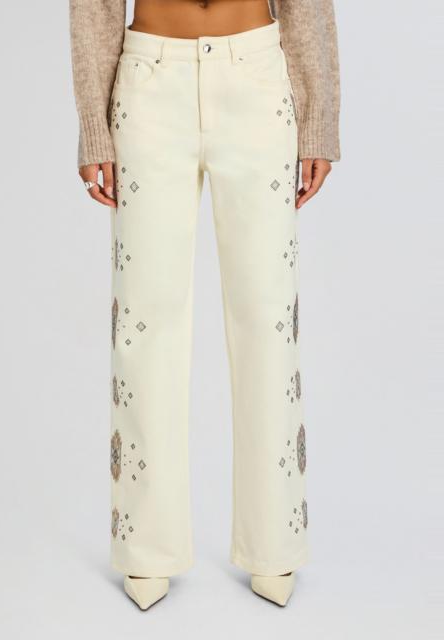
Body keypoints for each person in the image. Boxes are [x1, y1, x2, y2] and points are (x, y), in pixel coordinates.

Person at [69, 0, 340, 610]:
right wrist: (93, 124)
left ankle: (275, 541)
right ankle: (145, 545)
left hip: (257, 78)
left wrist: (319, 119)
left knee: (268, 316)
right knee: (145, 321)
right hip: (149, 83)